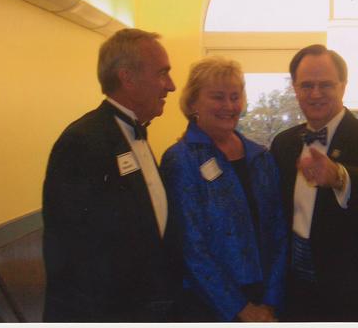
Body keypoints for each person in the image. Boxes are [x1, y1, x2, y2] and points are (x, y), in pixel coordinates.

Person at [42, 28, 178, 322]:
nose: (171, 86)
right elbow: (75, 256)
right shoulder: (82, 141)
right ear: (127, 78)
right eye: (162, 74)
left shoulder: (132, 133)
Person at [270, 44, 358, 321]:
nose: (316, 94)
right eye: (306, 85)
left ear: (343, 86)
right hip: (298, 295)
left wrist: (339, 176)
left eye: (326, 85)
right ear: (294, 88)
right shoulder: (283, 144)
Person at [160, 56, 287, 322]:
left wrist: (271, 302)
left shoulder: (261, 157)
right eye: (218, 97)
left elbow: (279, 232)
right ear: (193, 102)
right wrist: (240, 309)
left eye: (235, 96)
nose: (229, 106)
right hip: (208, 303)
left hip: (266, 297)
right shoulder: (181, 160)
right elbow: (190, 247)